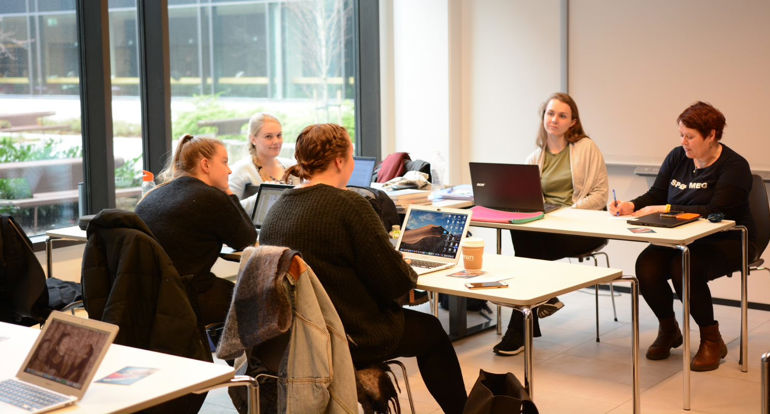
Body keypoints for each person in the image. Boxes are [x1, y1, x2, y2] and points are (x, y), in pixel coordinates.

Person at [259, 123, 468, 413]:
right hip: (350, 335)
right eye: (352, 155)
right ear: (339, 161)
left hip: (293, 336)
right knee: (432, 331)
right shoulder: (350, 205)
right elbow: (396, 282)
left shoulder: (278, 207)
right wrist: (403, 265)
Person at [610, 101, 756, 372]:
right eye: (681, 135)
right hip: (682, 237)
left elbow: (717, 211)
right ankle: (669, 329)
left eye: (690, 136)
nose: (683, 142)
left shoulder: (734, 166)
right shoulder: (678, 157)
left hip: (729, 239)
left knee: (683, 266)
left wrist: (665, 209)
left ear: (711, 135)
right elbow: (656, 194)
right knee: (647, 266)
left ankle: (711, 339)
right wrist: (631, 205)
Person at [495, 92, 609, 356]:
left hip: (581, 228)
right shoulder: (535, 157)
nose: (554, 119)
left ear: (573, 122)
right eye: (550, 113)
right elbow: (527, 200)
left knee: (526, 257)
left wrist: (565, 213)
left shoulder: (586, 148)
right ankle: (538, 304)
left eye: (562, 115)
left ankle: (528, 318)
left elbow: (600, 195)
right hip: (546, 232)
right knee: (521, 232)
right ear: (543, 116)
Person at [136, 134, 257, 326]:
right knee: (258, 302)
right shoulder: (211, 197)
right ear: (205, 165)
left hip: (147, 296)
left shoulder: (154, 194)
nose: (229, 170)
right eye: (224, 162)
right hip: (188, 296)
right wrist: (228, 193)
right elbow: (246, 239)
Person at [228, 113, 300, 213]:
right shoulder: (241, 170)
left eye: (279, 135)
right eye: (268, 136)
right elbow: (229, 209)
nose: (276, 141)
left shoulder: (291, 166)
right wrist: (260, 198)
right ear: (253, 139)